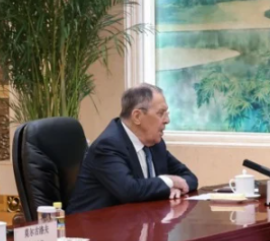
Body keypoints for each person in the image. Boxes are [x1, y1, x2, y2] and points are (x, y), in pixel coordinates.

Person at [68, 84, 198, 214]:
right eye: (161, 113)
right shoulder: (107, 146)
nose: (167, 120)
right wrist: (170, 182)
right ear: (137, 116)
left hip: (135, 220)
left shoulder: (155, 144)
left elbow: (190, 178)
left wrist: (175, 187)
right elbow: (129, 190)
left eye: (166, 113)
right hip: (91, 223)